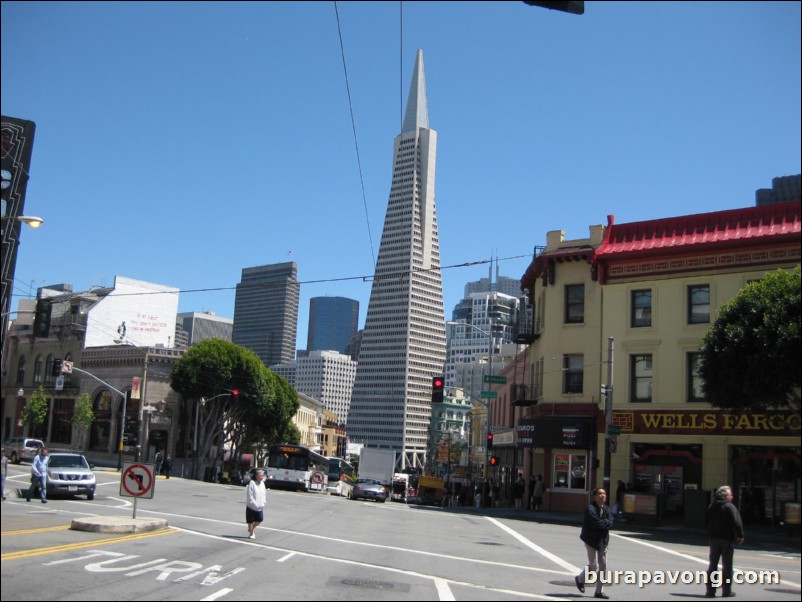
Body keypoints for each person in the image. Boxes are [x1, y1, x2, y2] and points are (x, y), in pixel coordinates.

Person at [705, 485, 745, 598]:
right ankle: (726, 591)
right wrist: (740, 535)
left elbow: (706, 522)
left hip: (714, 539)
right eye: (730, 494)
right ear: (726, 496)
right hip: (727, 539)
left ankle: (710, 591)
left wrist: (710, 533)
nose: (732, 496)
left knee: (712, 565)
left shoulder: (711, 506)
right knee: (727, 566)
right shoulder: (729, 507)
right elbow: (737, 522)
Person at [575, 487, 613, 600]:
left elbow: (611, 522)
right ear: (595, 496)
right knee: (593, 565)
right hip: (591, 540)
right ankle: (579, 579)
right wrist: (605, 523)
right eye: (600, 494)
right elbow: (596, 524)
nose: (603, 496)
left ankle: (599, 592)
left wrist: (605, 523)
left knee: (603, 566)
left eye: (604, 493)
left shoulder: (606, 508)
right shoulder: (590, 509)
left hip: (603, 541)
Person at [246, 469, 267, 539]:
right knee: (250, 521)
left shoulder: (262, 483)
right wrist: (253, 503)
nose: (262, 476)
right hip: (251, 506)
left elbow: (264, 494)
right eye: (261, 475)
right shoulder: (252, 483)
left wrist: (264, 502)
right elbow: (249, 495)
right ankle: (251, 533)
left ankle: (251, 529)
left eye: (263, 475)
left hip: (260, 506)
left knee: (260, 519)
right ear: (256, 476)